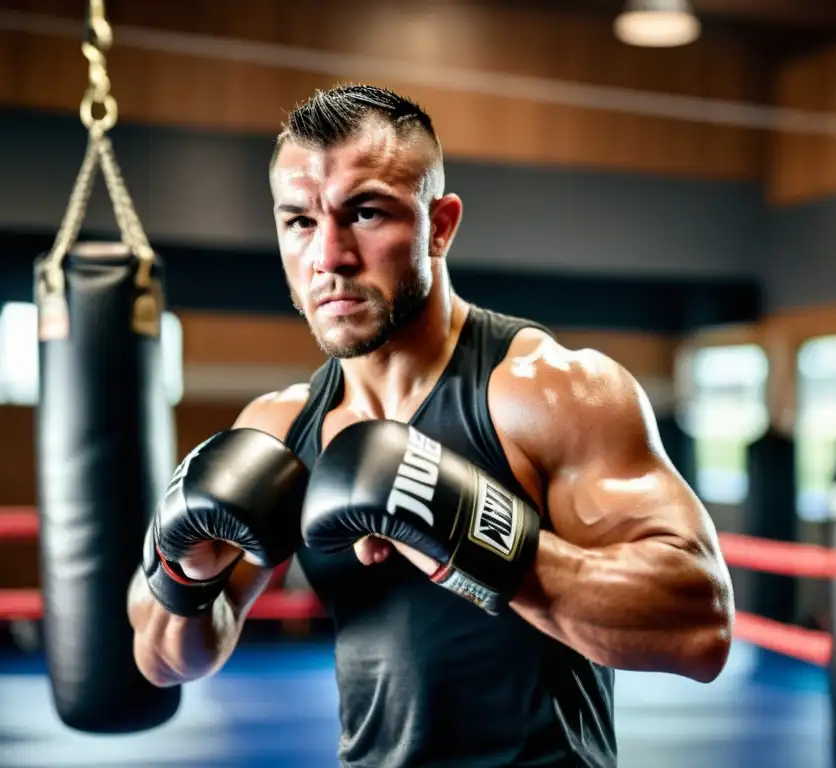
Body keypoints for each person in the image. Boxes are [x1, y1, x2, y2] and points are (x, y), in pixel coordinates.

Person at [128, 83, 734, 767]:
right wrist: (186, 573)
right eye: (299, 221)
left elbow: (701, 626)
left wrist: (470, 531)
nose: (329, 256)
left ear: (439, 225)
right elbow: (162, 659)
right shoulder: (280, 428)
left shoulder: (548, 391)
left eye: (365, 213)